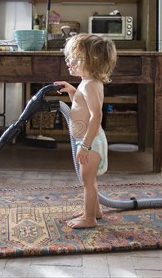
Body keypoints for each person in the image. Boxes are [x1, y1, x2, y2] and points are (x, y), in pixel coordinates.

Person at [54, 34, 117, 229]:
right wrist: (73, 91)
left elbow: (95, 116)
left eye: (74, 57)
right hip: (89, 141)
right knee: (90, 180)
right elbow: (81, 106)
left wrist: (85, 145)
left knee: (87, 182)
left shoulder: (90, 85)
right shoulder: (86, 82)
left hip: (90, 142)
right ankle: (95, 211)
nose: (68, 61)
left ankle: (89, 219)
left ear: (92, 60)